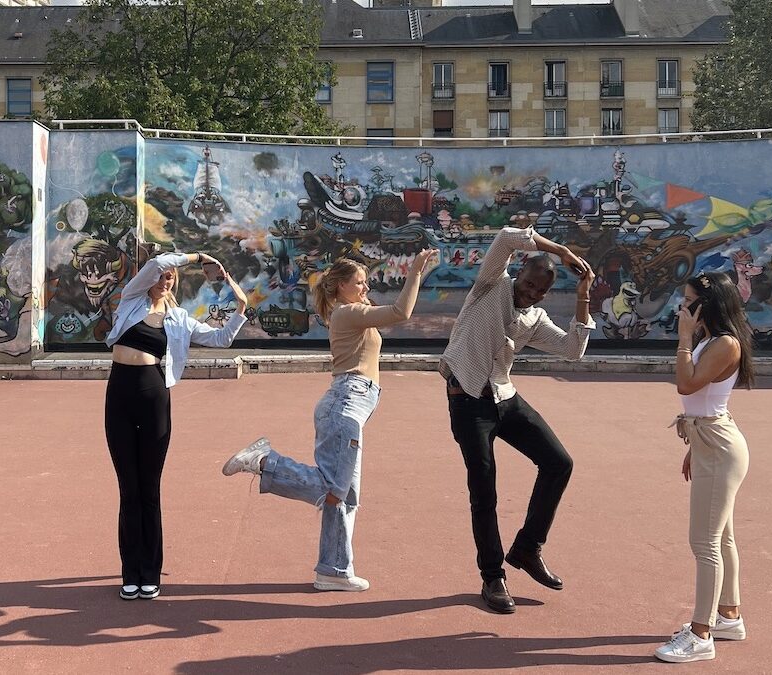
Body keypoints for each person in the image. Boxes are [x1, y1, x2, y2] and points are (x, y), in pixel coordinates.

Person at [222, 250, 438, 592]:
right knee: (335, 491)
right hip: (346, 403)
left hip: (350, 404)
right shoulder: (348, 313)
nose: (366, 287)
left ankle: (333, 570)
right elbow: (401, 312)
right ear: (340, 287)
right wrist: (414, 272)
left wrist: (417, 272)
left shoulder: (351, 312)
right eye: (359, 282)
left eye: (367, 281)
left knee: (346, 496)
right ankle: (265, 462)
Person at [438, 224, 594, 614]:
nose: (533, 293)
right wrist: (561, 250)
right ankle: (492, 576)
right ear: (519, 274)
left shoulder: (535, 318)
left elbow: (573, 350)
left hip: (504, 397)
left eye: (541, 290)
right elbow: (508, 237)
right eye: (529, 284)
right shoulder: (490, 285)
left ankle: (526, 549)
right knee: (484, 489)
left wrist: (583, 296)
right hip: (469, 398)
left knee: (559, 463)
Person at [104, 250, 248, 601]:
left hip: (154, 397)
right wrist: (199, 255)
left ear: (174, 282)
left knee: (149, 487)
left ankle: (150, 572)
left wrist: (241, 309)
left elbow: (220, 339)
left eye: (169, 277)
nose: (163, 280)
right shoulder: (132, 299)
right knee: (128, 489)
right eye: (160, 275)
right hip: (118, 395)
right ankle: (131, 572)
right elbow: (155, 263)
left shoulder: (180, 319)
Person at [655, 271, 754, 663]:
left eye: (688, 300)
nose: (683, 307)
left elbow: (687, 385)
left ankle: (701, 635)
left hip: (721, 446)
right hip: (710, 442)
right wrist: (692, 448)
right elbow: (700, 403)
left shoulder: (725, 344)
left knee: (705, 543)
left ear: (706, 305)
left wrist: (682, 338)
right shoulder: (714, 340)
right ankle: (729, 616)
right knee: (723, 537)